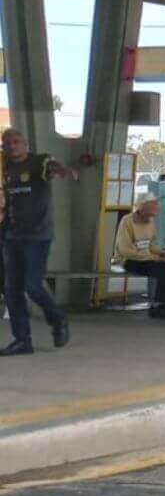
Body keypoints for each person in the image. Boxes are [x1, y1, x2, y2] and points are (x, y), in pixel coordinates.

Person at [0, 129, 77, 356]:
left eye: (16, 142)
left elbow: (52, 167)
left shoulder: (39, 161)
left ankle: (58, 319)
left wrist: (63, 170)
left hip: (38, 236)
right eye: (7, 143)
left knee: (32, 286)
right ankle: (22, 340)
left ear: (26, 144)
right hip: (13, 235)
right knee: (11, 290)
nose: (12, 146)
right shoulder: (5, 167)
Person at [113, 195, 165, 319]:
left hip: (147, 259)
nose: (155, 209)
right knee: (163, 270)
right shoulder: (127, 221)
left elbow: (151, 244)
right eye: (152, 206)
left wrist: (160, 252)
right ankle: (157, 306)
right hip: (130, 260)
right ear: (142, 207)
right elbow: (126, 250)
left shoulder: (150, 222)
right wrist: (154, 257)